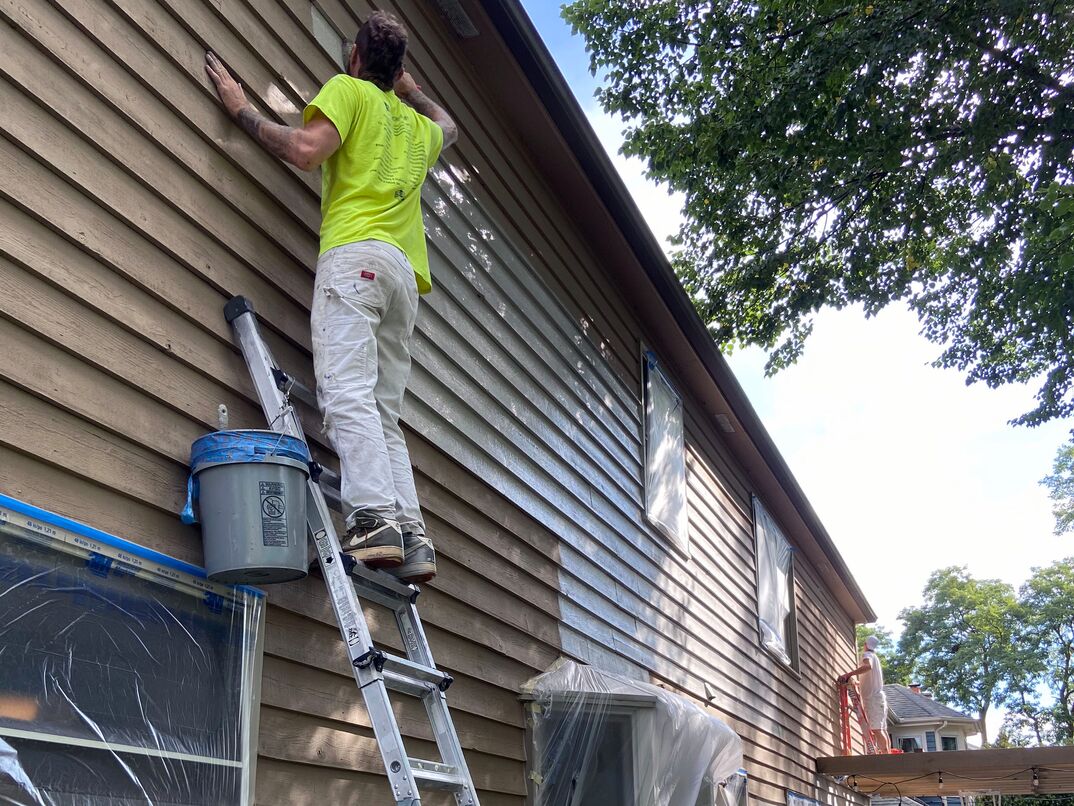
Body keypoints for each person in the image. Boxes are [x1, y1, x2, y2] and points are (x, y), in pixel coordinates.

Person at [205, 12, 457, 584]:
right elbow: (450, 124)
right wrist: (411, 90)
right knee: (383, 411)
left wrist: (241, 111)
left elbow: (303, 149)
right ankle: (413, 535)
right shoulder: (417, 128)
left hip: (358, 259)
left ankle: (372, 519)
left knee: (346, 393)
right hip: (402, 279)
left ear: (355, 61)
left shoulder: (349, 92)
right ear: (400, 75)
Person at [838, 635, 892, 753]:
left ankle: (886, 756)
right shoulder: (876, 658)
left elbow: (867, 666)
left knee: (877, 729)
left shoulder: (867, 655)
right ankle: (887, 754)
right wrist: (856, 683)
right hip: (878, 698)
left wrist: (848, 674)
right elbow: (869, 678)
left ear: (866, 645)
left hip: (873, 699)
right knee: (882, 728)